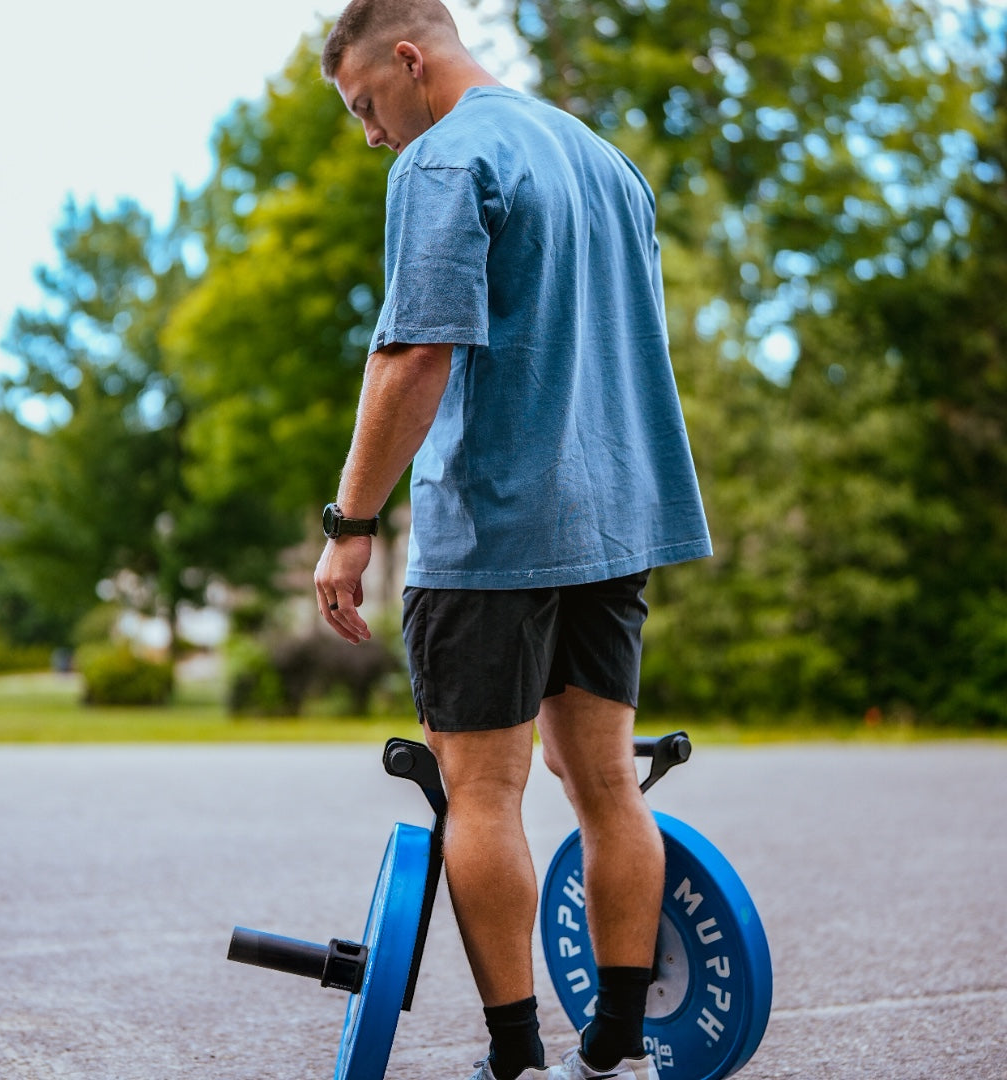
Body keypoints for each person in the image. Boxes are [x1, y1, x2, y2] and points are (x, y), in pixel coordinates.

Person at [314, 3, 712, 1078]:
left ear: (409, 58)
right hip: (613, 521)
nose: (372, 135)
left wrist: (350, 526)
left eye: (366, 105)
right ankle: (620, 1050)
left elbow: (414, 355)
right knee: (608, 785)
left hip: (492, 530)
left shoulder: (445, 160)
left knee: (484, 794)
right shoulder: (606, 162)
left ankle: (515, 1057)